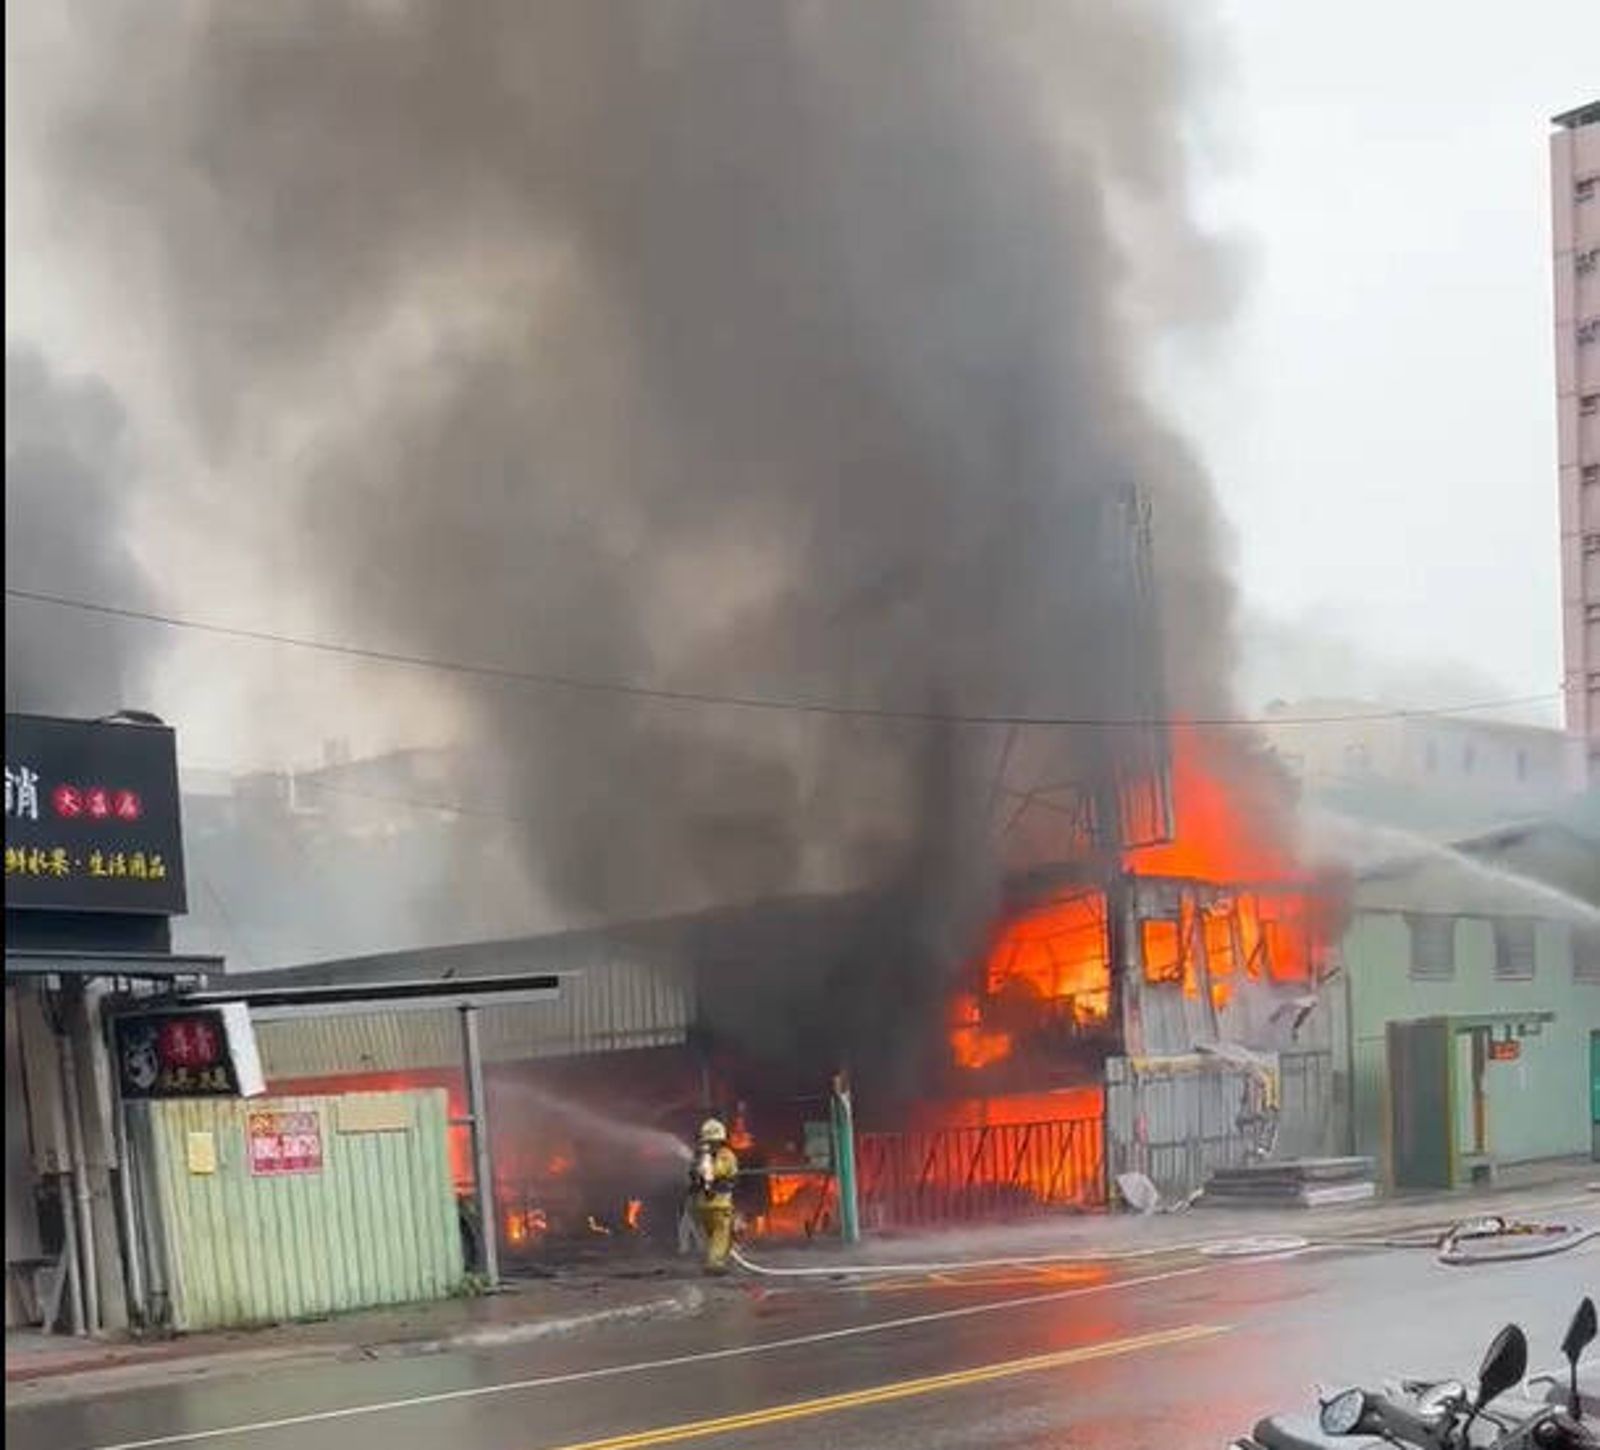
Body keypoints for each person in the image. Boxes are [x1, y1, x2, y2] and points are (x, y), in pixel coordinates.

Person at [688, 1117, 739, 1274]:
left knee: (713, 1237)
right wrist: (705, 1164)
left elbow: (697, 1175)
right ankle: (714, 1264)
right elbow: (718, 1172)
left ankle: (715, 1260)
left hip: (703, 1206)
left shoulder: (701, 1157)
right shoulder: (725, 1155)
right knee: (720, 1234)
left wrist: (702, 1163)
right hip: (719, 1205)